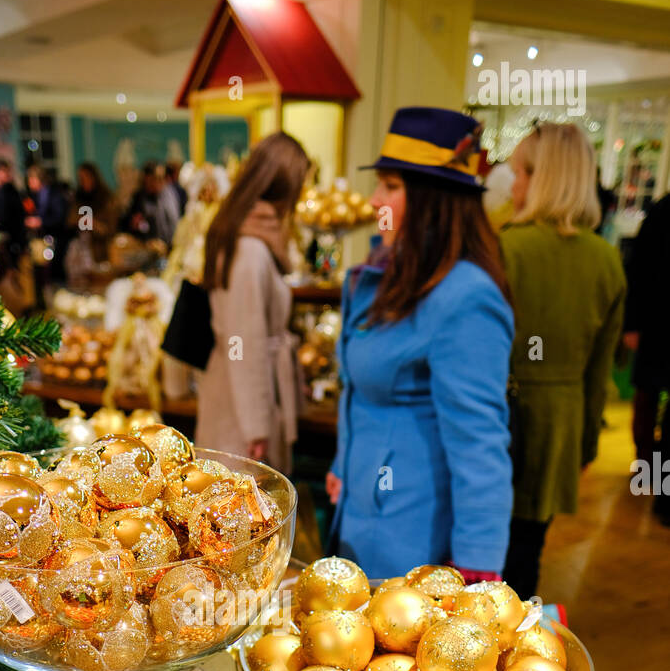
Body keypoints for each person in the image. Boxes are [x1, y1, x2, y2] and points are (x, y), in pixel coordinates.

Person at [326, 107, 514, 581]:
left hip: (413, 542)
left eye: (390, 186)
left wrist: (477, 566)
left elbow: (480, 442)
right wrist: (344, 463)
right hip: (358, 518)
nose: (373, 201)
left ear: (432, 199)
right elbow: (356, 390)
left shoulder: (465, 296)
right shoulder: (380, 276)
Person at [500, 122, 626, 594]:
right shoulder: (606, 259)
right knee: (529, 551)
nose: (513, 185)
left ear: (544, 178)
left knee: (486, 552)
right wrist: (588, 442)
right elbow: (600, 372)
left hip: (501, 419)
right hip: (562, 423)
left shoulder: (507, 247)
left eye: (520, 173)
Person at [196, 131, 310, 473]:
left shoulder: (246, 238)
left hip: (237, 393)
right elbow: (242, 342)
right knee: (239, 506)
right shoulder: (251, 249)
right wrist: (256, 426)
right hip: (240, 404)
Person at [623, 190, 670, 523]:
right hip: (655, 324)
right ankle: (650, 476)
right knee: (647, 399)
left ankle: (652, 478)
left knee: (648, 399)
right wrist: (634, 323)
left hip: (653, 324)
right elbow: (639, 269)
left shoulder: (662, 210)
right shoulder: (662, 211)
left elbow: (638, 269)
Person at [24, 164, 68, 288]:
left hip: (55, 238)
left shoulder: (54, 194)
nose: (29, 183)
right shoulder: (32, 196)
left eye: (31, 179)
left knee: (55, 270)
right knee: (40, 271)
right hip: (40, 240)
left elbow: (59, 217)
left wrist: (40, 221)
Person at [120, 162, 178, 246]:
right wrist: (138, 225)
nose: (161, 182)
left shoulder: (169, 195)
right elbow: (132, 224)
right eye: (157, 178)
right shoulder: (139, 199)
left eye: (163, 178)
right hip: (149, 248)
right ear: (147, 178)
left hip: (170, 246)